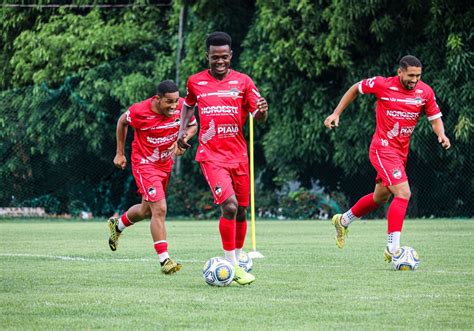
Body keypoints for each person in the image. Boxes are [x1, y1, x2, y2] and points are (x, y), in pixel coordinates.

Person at [324, 55, 451, 262]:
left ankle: (343, 220)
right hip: (382, 149)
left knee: (380, 198)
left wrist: (441, 134)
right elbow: (356, 88)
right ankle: (393, 249)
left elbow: (435, 118)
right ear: (400, 72)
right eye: (411, 75)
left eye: (418, 76)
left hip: (401, 153)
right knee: (403, 193)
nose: (414, 80)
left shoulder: (425, 92)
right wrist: (336, 113)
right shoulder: (383, 85)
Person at [177, 31, 268, 285]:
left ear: (230, 56)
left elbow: (258, 116)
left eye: (224, 57)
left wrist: (262, 112)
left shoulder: (243, 81)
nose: (219, 62)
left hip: (238, 155)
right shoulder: (195, 81)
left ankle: (237, 260)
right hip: (211, 155)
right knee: (228, 206)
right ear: (207, 56)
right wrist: (182, 130)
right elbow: (188, 104)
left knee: (240, 211)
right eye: (214, 57)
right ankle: (231, 264)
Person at [107, 80, 197, 274]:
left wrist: (183, 139)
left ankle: (117, 225)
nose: (174, 106)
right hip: (145, 164)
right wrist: (120, 153)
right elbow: (122, 121)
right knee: (160, 208)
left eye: (176, 101)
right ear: (157, 99)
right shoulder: (140, 111)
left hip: (165, 164)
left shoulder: (182, 106)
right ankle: (164, 259)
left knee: (145, 210)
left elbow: (193, 126)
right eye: (169, 102)